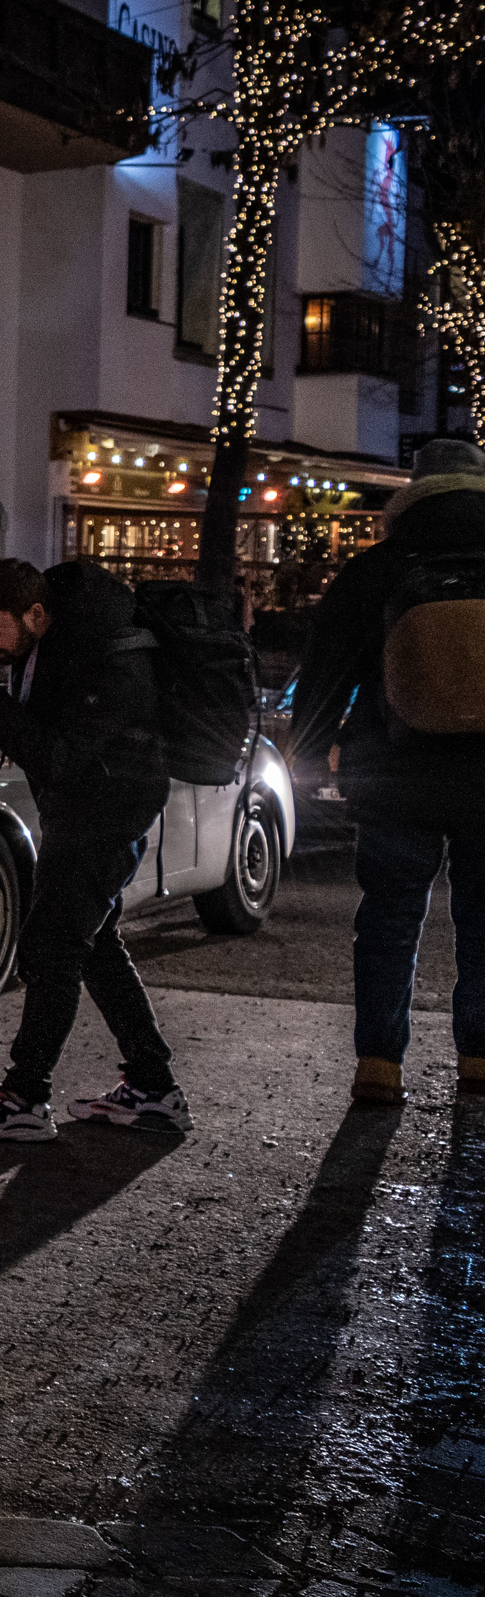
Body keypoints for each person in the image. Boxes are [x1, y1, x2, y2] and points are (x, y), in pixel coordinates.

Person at [0, 555, 184, 1138]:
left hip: (105, 811)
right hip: (84, 809)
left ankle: (24, 1097)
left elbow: (58, 758)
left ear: (36, 613)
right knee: (93, 947)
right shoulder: (54, 633)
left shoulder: (104, 657)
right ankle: (153, 1087)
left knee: (50, 949)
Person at [286, 432, 485, 1105]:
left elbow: (326, 671)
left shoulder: (376, 569)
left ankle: (379, 1063)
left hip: (394, 772)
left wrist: (308, 755)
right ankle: (479, 1057)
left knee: (390, 919)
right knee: (484, 920)